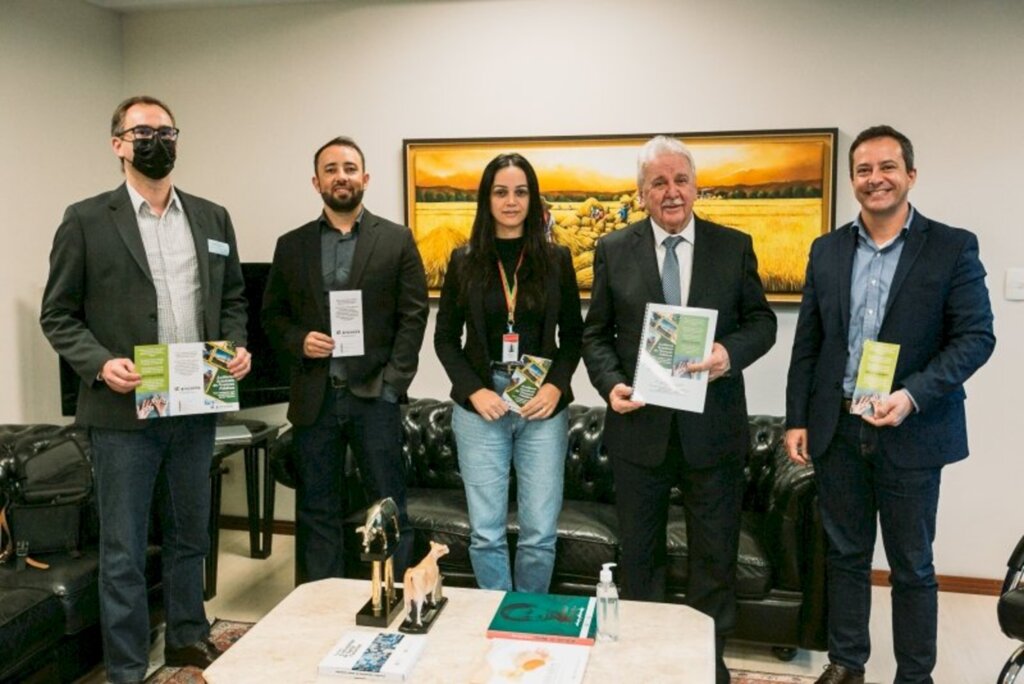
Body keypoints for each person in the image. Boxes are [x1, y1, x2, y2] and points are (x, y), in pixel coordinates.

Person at [39, 95, 251, 683]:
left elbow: (233, 299)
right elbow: (57, 316)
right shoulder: (85, 219)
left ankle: (186, 638)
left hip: (196, 403)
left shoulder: (212, 217)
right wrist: (100, 363)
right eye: (143, 131)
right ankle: (128, 667)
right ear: (118, 145)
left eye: (166, 130)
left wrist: (236, 345)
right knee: (125, 551)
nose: (156, 140)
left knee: (190, 535)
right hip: (122, 412)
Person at [784, 125, 995, 684]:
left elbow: (976, 338)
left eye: (887, 167)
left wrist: (911, 396)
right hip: (839, 428)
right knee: (846, 558)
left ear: (910, 176)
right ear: (853, 180)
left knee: (912, 567)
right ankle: (847, 663)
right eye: (863, 170)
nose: (874, 179)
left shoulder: (952, 246)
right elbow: (810, 342)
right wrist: (797, 419)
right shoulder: (827, 250)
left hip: (912, 430)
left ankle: (914, 676)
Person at [582, 135, 776, 683]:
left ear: (696, 187)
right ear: (642, 194)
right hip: (638, 430)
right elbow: (595, 335)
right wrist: (611, 384)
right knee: (640, 561)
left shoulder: (733, 246)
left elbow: (761, 323)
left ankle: (705, 667)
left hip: (711, 432)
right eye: (658, 183)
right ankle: (644, 667)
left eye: (680, 180)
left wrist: (727, 354)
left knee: (714, 561)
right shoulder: (614, 248)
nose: (671, 192)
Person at [262, 136, 428, 584]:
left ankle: (398, 600)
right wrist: (300, 341)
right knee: (317, 509)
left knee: (388, 505)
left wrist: (392, 384)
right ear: (316, 181)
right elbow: (272, 317)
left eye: (350, 168)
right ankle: (321, 608)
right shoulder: (291, 245)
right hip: (315, 399)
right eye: (331, 169)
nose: (342, 176)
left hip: (374, 395)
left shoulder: (395, 240)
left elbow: (413, 317)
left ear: (366, 178)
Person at [434, 153, 583, 594]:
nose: (511, 201)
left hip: (541, 403)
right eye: (501, 192)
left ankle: (529, 620)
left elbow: (574, 336)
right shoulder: (464, 261)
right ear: (487, 199)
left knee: (539, 533)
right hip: (482, 406)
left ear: (533, 200)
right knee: (486, 532)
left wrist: (557, 386)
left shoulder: (557, 260)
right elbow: (445, 339)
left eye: (520, 192)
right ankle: (497, 618)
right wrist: (474, 391)